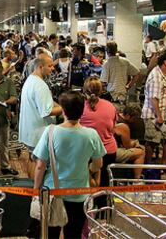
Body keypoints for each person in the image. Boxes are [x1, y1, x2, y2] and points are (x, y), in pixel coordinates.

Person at [33, 90, 105, 239]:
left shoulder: (50, 132)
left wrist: (35, 191)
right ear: (82, 110)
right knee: (74, 233)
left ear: (63, 111)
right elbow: (98, 164)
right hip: (79, 194)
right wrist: (87, 170)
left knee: (49, 234)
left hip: (52, 193)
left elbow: (40, 165)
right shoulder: (91, 134)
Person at [19, 53, 62, 178]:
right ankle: (36, 192)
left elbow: (46, 101)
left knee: (32, 160)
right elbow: (47, 111)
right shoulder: (40, 85)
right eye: (50, 66)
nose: (53, 68)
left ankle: (33, 190)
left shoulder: (31, 80)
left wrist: (59, 104)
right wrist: (65, 108)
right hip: (38, 133)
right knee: (38, 164)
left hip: (30, 131)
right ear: (40, 67)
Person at [80, 76, 117, 206]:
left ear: (84, 90)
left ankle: (86, 209)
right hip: (108, 151)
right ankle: (103, 211)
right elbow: (113, 129)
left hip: (86, 153)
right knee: (105, 183)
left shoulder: (79, 107)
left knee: (86, 183)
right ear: (101, 91)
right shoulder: (110, 106)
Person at [141, 51, 166, 164]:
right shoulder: (155, 76)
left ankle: (163, 165)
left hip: (164, 115)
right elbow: (154, 98)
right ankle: (149, 167)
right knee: (152, 142)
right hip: (153, 117)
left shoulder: (165, 74)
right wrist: (159, 116)